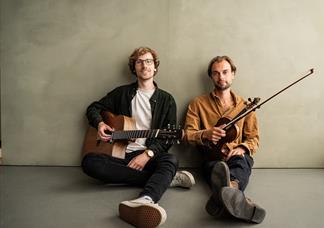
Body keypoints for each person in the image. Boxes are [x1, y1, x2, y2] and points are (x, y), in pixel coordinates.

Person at [82, 46, 195, 227]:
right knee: (90, 162)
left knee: (171, 160)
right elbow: (93, 108)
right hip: (120, 153)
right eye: (139, 62)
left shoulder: (167, 100)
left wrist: (147, 154)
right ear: (134, 67)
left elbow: (167, 139)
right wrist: (100, 124)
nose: (144, 66)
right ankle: (166, 179)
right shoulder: (122, 93)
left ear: (155, 67)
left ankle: (146, 199)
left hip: (149, 154)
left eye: (149, 61)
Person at [184, 55, 266, 223]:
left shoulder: (246, 107)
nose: (221, 77)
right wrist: (205, 134)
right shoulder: (197, 103)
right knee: (217, 168)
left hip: (237, 157)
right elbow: (187, 135)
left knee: (241, 161)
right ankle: (237, 200)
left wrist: (242, 148)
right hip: (212, 158)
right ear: (211, 76)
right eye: (216, 73)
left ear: (233, 74)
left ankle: (228, 193)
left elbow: (253, 138)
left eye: (225, 72)